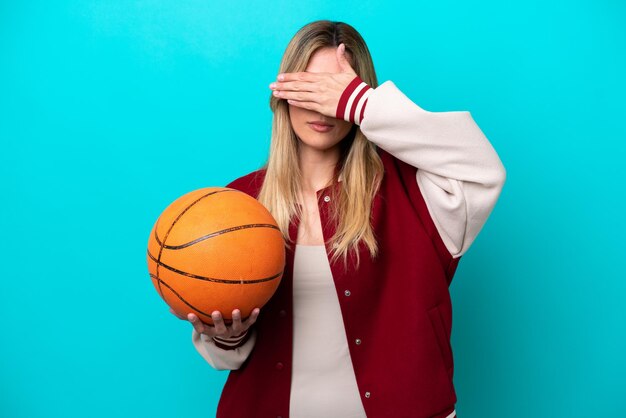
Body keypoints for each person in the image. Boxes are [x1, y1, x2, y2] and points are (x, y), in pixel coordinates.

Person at [171, 20, 506, 418]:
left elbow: (485, 171)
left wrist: (361, 103)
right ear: (282, 93)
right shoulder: (240, 204)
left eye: (335, 90)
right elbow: (227, 358)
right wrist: (229, 336)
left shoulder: (417, 193)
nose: (322, 106)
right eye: (309, 87)